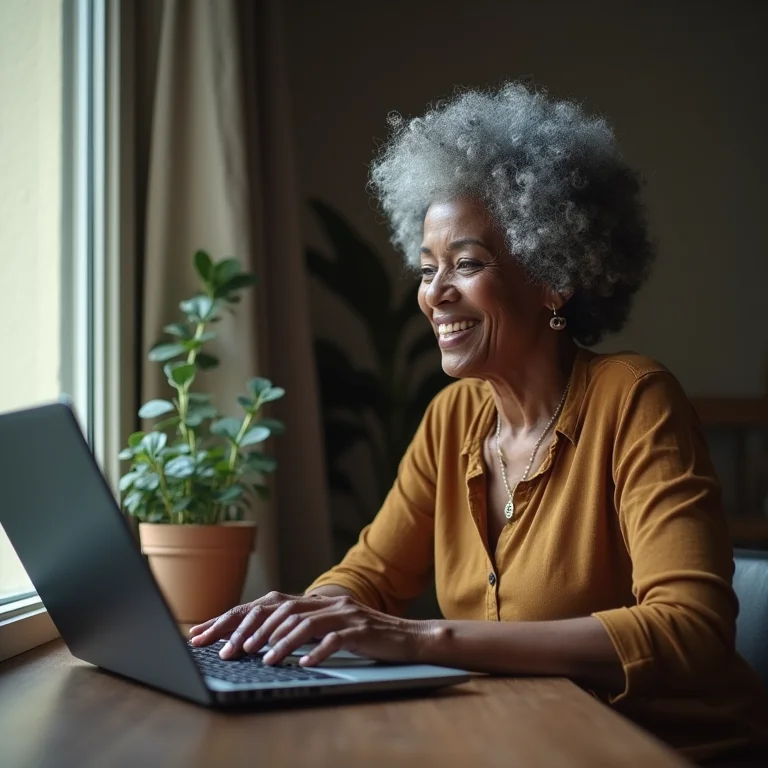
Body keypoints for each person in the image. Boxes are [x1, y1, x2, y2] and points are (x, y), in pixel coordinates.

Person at [189, 84, 768, 764]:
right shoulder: (453, 419)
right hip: (516, 744)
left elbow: (690, 631)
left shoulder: (634, 399)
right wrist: (304, 621)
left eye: (467, 264)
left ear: (555, 278)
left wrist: (422, 639)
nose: (435, 294)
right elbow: (368, 577)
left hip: (664, 750)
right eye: (428, 268)